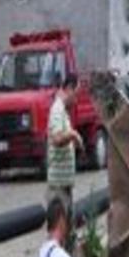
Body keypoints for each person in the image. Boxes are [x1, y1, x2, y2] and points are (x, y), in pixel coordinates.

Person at [45, 74, 83, 245]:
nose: (76, 100)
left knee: (67, 234)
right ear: (68, 89)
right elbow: (56, 138)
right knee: (58, 235)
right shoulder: (57, 109)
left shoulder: (62, 111)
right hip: (58, 187)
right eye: (76, 94)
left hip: (64, 185)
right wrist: (73, 135)